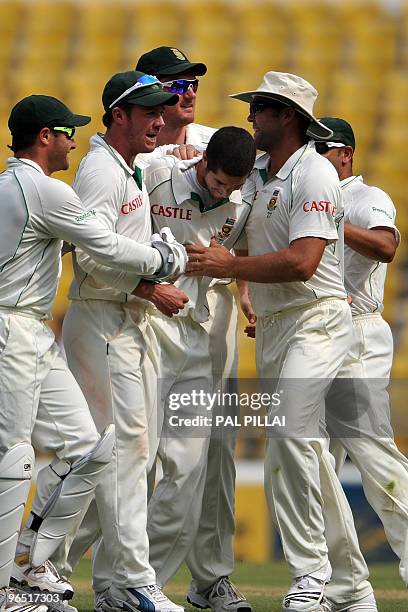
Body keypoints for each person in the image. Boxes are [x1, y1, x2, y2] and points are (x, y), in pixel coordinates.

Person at [186, 72, 377, 612]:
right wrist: (242, 283)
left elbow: (303, 261)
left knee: (292, 434)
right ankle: (352, 587)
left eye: (261, 109)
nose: (251, 119)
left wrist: (230, 265)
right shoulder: (261, 176)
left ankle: (311, 576)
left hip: (316, 317)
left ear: (287, 115)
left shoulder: (314, 172)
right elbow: (247, 237)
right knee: (303, 454)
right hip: (274, 327)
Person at [0, 92, 187, 612]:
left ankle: (32, 564)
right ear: (45, 138)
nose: (73, 141)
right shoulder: (44, 190)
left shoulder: (16, 187)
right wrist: (165, 258)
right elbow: (104, 244)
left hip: (34, 330)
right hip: (11, 328)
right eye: (66, 132)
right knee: (14, 457)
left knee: (90, 447)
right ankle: (4, 589)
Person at [136, 46, 251, 612]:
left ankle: (209, 578)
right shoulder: (139, 152)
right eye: (174, 82)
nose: (188, 90)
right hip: (145, 310)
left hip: (213, 310)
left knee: (212, 451)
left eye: (192, 81)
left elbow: (248, 218)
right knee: (131, 449)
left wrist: (246, 287)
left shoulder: (219, 142)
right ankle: (112, 575)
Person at [315, 118, 408, 591]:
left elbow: (387, 246)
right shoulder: (308, 194)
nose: (314, 157)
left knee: (372, 454)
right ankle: (340, 582)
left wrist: (333, 223)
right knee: (315, 467)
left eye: (323, 149)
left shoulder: (363, 197)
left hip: (359, 337)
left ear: (346, 154)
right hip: (320, 334)